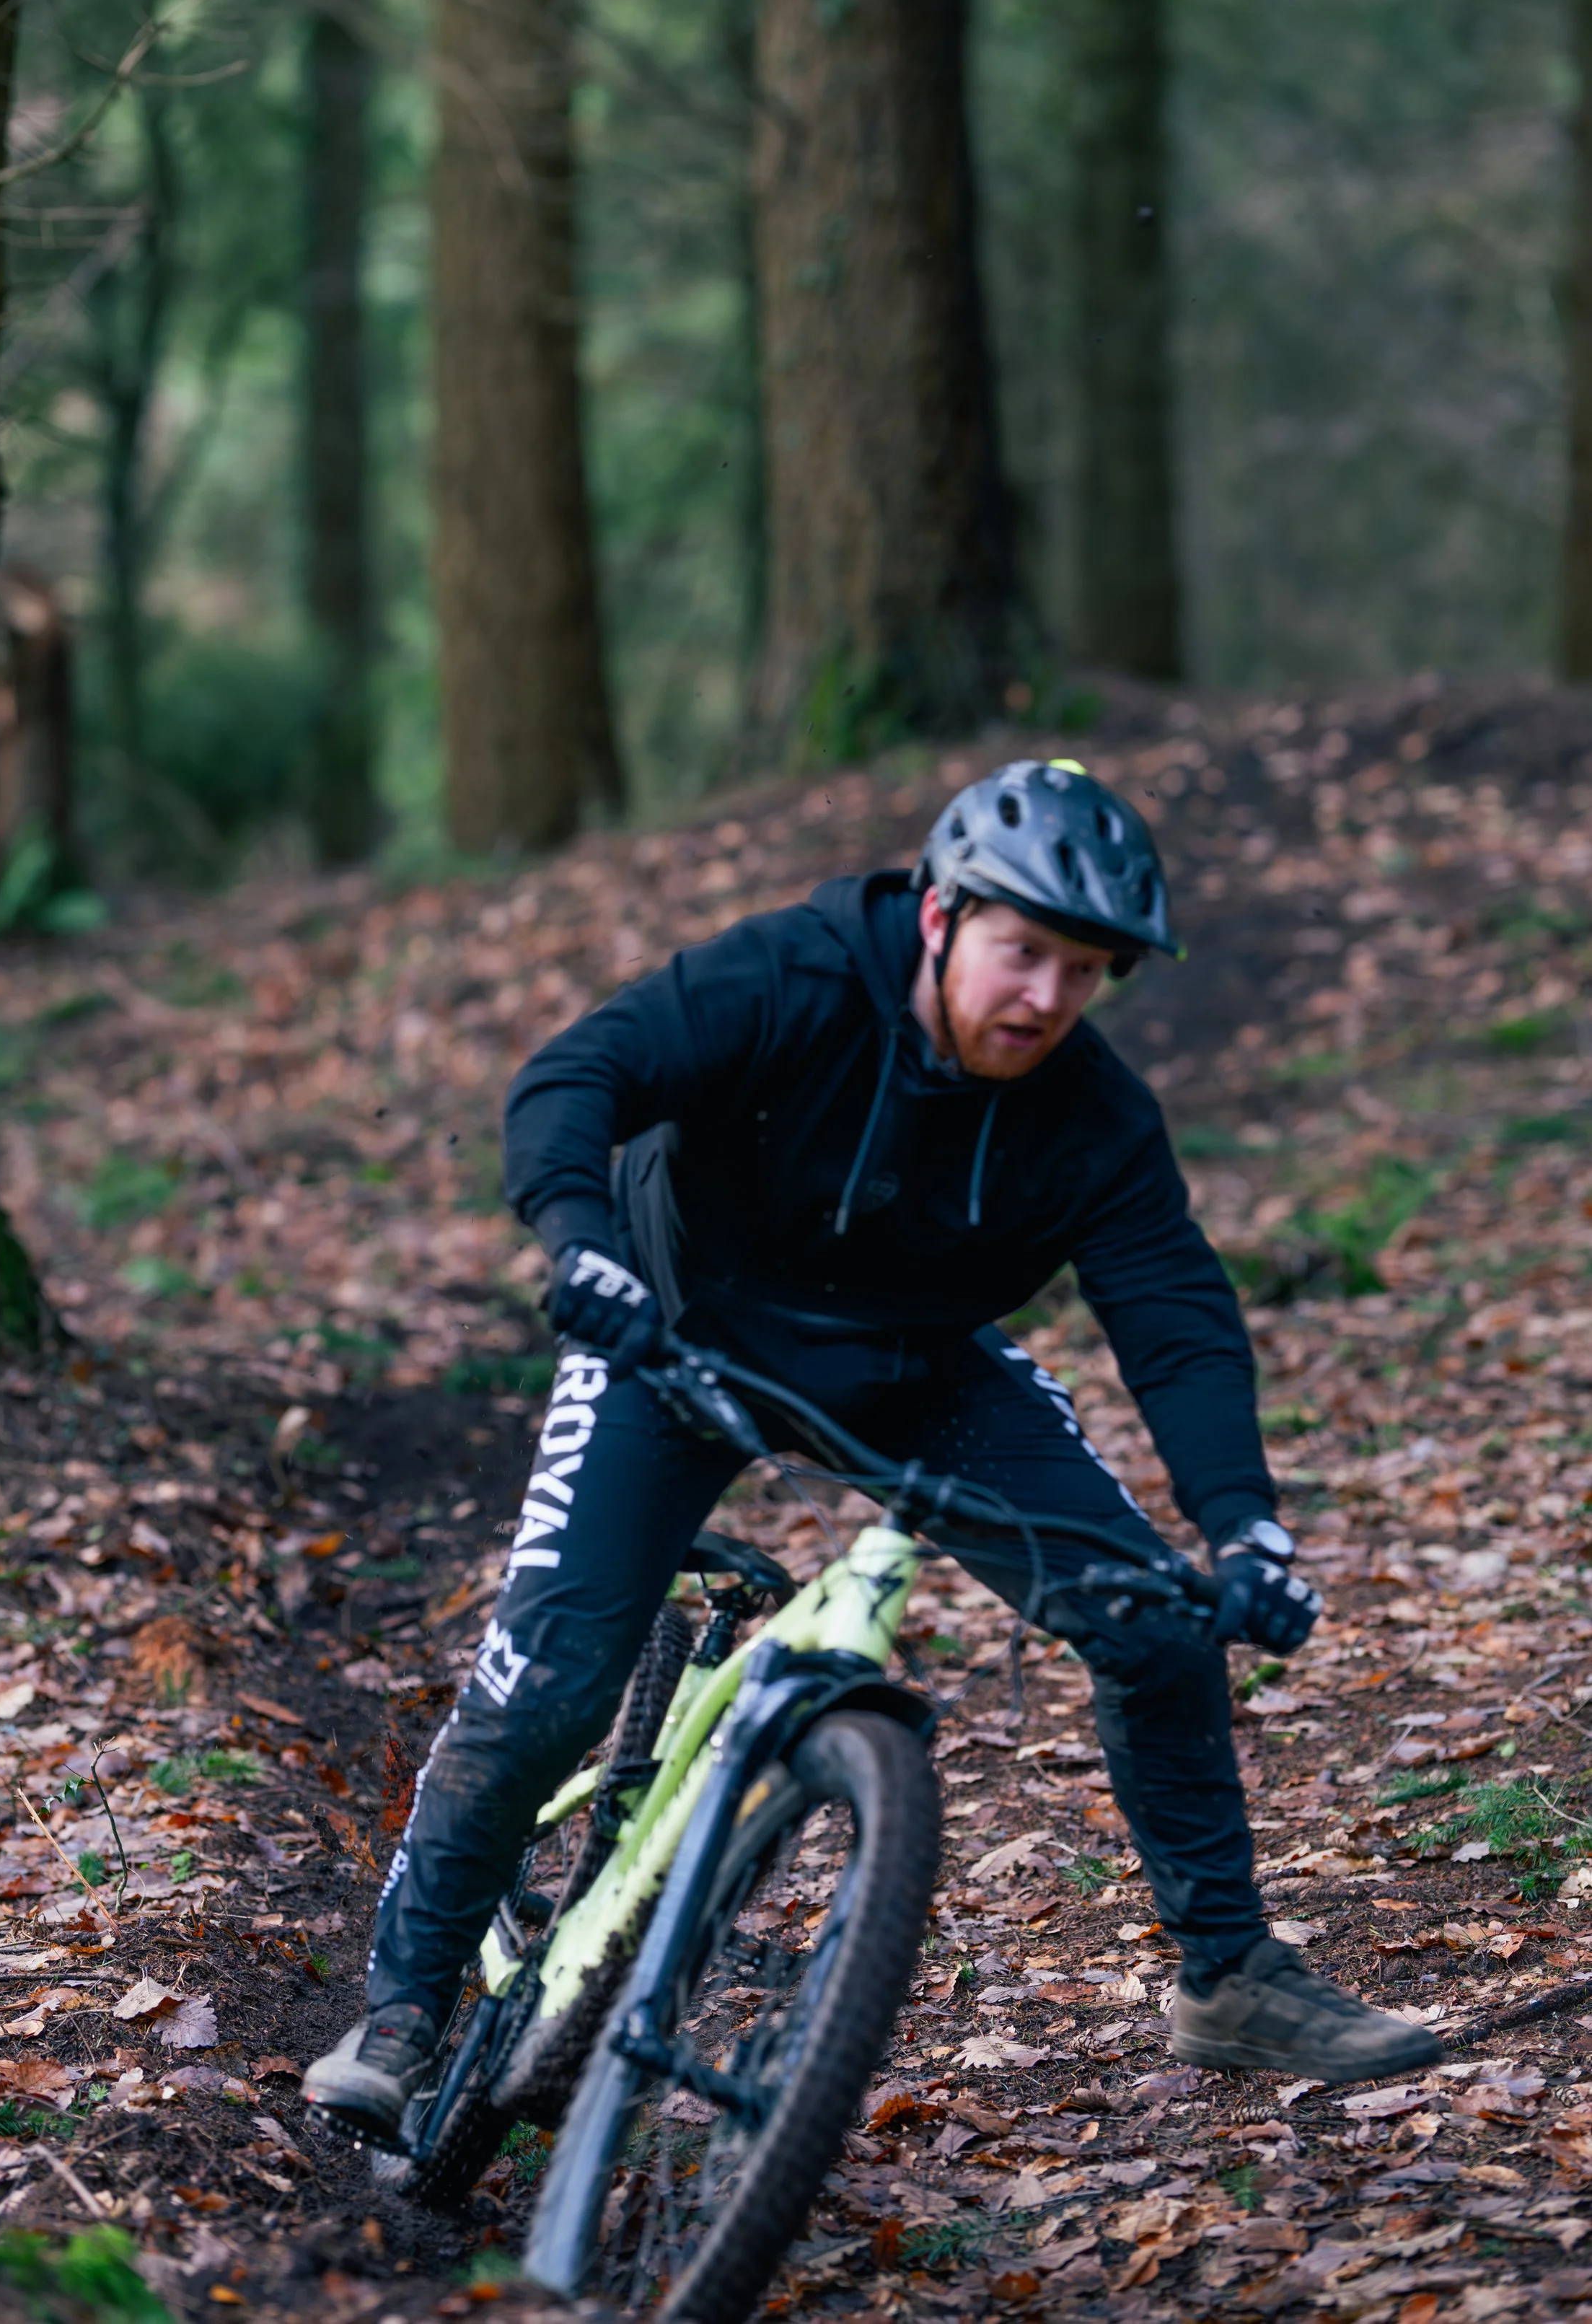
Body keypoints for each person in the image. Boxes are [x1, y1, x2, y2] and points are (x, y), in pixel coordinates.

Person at [304, 758, 1438, 2139]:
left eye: (1085, 972)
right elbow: (577, 1074)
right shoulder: (793, 976)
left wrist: (1246, 1522)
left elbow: (1177, 1317)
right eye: (1025, 953)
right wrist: (578, 1243)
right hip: (670, 1336)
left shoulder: (1095, 1116)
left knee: (1151, 1621)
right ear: (943, 914)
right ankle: (404, 2010)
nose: (1046, 999)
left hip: (911, 1369)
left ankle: (1232, 1977)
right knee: (549, 1684)